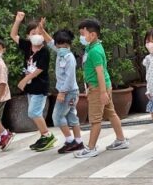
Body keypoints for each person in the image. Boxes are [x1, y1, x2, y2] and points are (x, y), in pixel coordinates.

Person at [73, 18, 129, 158]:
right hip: (100, 86)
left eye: (83, 34)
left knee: (95, 119)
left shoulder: (94, 51)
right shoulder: (93, 47)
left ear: (92, 35)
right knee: (111, 113)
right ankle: (121, 140)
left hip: (98, 88)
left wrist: (102, 92)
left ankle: (91, 148)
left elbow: (100, 73)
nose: (81, 37)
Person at [10, 11, 54, 152]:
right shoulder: (27, 46)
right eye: (33, 33)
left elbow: (40, 69)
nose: (37, 36)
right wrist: (18, 21)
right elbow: (13, 35)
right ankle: (43, 136)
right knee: (35, 112)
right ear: (28, 36)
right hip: (31, 87)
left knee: (34, 112)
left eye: (39, 33)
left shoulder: (44, 51)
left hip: (40, 86)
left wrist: (25, 80)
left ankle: (48, 135)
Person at [40, 22, 83, 154]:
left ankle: (70, 141)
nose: (60, 47)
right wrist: (42, 30)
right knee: (71, 116)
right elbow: (50, 41)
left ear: (68, 44)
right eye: (58, 44)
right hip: (70, 92)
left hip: (68, 92)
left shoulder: (69, 58)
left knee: (57, 117)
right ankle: (78, 141)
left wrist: (62, 93)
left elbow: (70, 78)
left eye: (63, 44)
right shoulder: (60, 53)